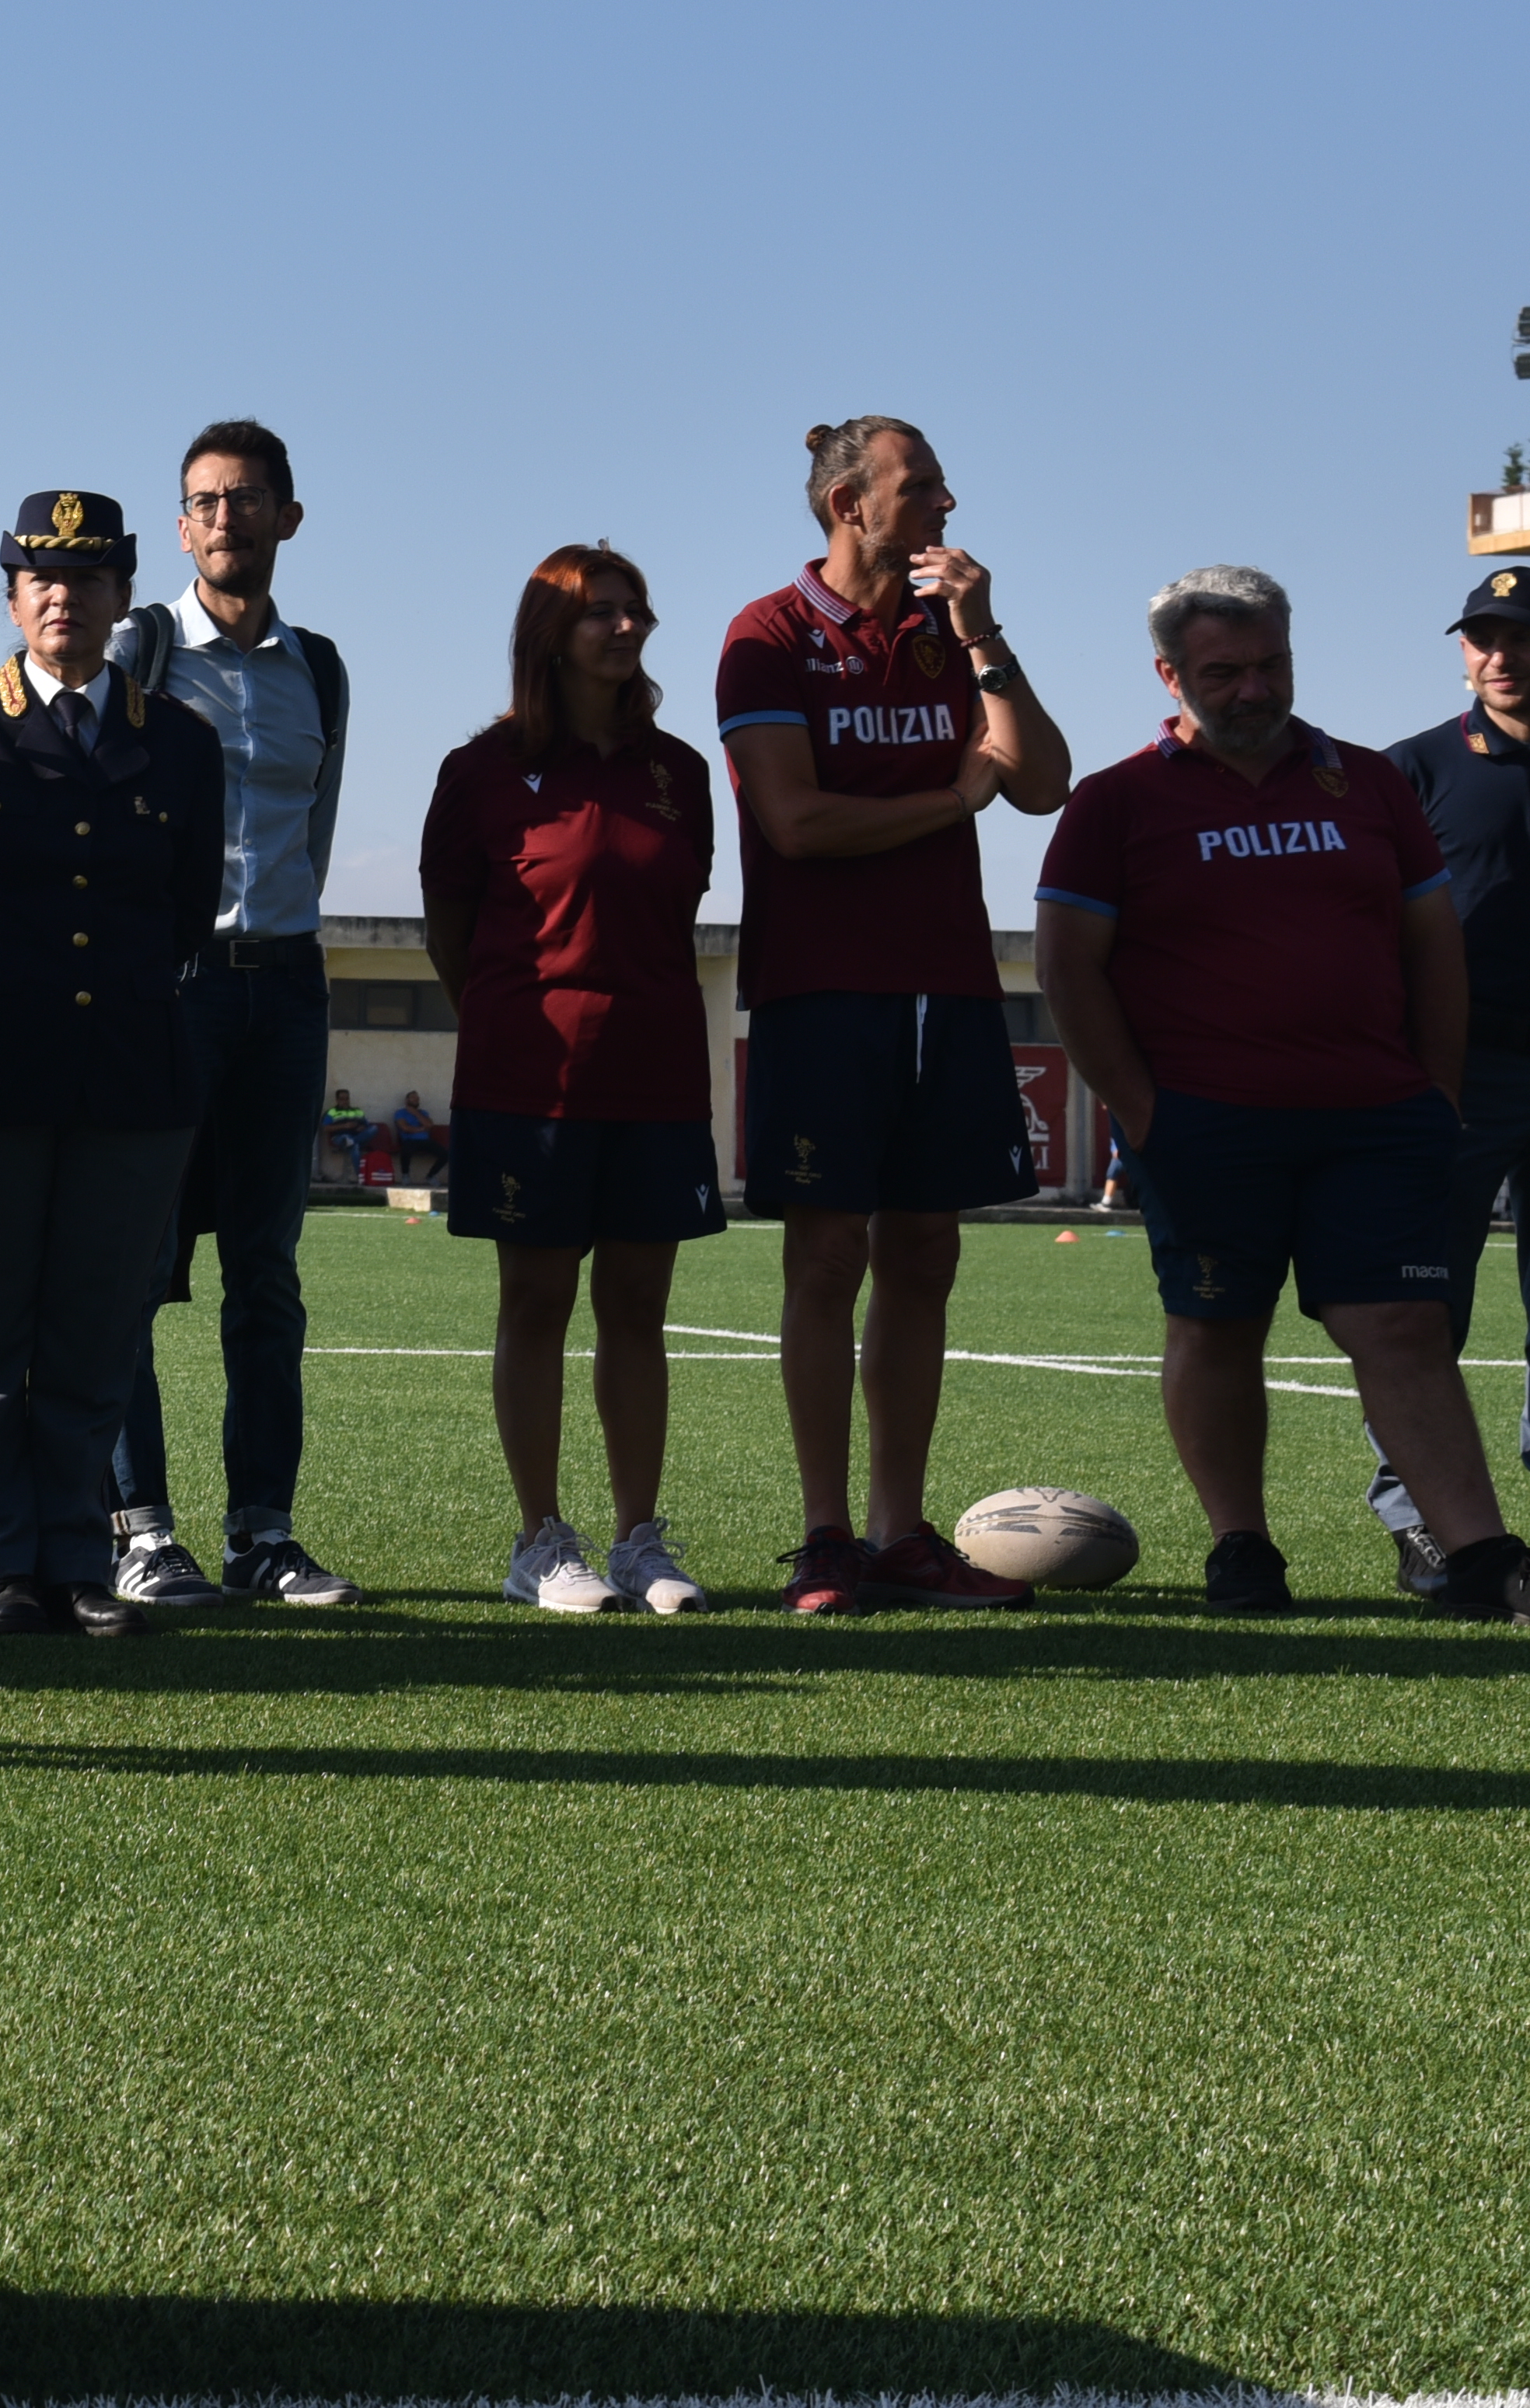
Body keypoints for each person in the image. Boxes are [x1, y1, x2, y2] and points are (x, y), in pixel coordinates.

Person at [1034, 564, 1530, 1622]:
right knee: (1218, 1327)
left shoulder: (1368, 782)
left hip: (1377, 1115)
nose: (1255, 690)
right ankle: (1242, 1545)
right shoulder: (1117, 803)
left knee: (1402, 1322)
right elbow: (1070, 968)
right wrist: (1143, 1110)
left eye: (1273, 666)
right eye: (1226, 672)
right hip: (1207, 1121)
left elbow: (1432, 944)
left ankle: (1480, 1553)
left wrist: (1435, 1090)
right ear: (1170, 674)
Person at [714, 414, 1068, 1615]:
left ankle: (901, 1532)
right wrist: (953, 794)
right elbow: (797, 824)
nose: (948, 505)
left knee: (928, 1249)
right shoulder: (767, 636)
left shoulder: (943, 630)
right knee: (827, 1256)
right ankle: (825, 1539)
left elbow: (1043, 782)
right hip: (821, 992)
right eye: (922, 487)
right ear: (850, 505)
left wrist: (984, 638)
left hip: (951, 986)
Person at [0, 490, 225, 1635]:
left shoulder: (176, 739)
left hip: (126, 1076)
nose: (62, 597)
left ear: (125, 595)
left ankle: (77, 1558)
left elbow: (182, 914)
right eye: (40, 577)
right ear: (15, 595)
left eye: (85, 578)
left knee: (94, 1331)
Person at [417, 545, 724, 1617]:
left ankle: (641, 1541)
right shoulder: (482, 772)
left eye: (635, 608)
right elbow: (452, 929)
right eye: (600, 612)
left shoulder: (679, 773)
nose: (626, 626)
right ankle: (542, 1542)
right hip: (526, 1081)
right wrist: (514, 1018)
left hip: (657, 1077)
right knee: (537, 1299)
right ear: (549, 634)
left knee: (638, 1304)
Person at [100, 418, 356, 1611]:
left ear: (287, 518)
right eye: (203, 501)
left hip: (287, 987)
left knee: (268, 1273)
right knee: (137, 1268)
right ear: (183, 523)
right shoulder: (140, 651)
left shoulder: (324, 670)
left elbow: (312, 831)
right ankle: (140, 1530)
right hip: (172, 987)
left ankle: (265, 1533)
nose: (223, 518)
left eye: (247, 498)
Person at [1369, 564, 1530, 1597]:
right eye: (1483, 639)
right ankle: (1421, 1519)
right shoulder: (1410, 771)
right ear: (1463, 651)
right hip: (1455, 1076)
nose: (1502, 657)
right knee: (1425, 1308)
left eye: (1518, 637)